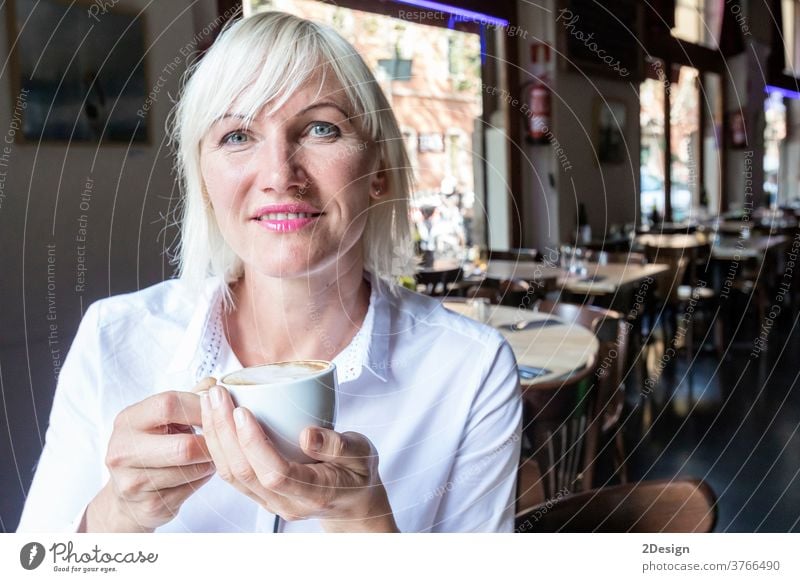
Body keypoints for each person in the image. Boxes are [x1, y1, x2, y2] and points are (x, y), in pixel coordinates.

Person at [17, 11, 521, 533]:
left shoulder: (471, 371)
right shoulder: (112, 338)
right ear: (205, 179)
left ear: (380, 170)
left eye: (321, 128)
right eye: (237, 136)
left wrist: (365, 523)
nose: (280, 175)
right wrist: (115, 515)